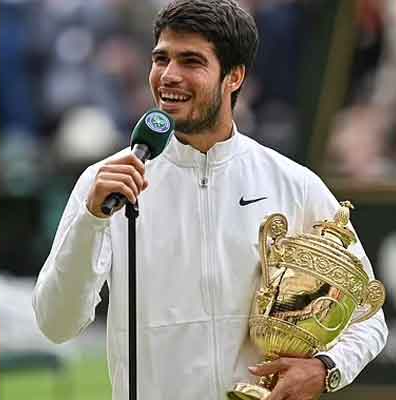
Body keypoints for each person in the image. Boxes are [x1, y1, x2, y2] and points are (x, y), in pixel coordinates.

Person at [32, 1, 387, 399]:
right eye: (161, 59)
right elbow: (55, 323)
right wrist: (91, 220)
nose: (169, 76)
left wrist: (326, 369)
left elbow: (368, 317)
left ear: (234, 76)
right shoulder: (105, 184)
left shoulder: (294, 184)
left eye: (191, 62)